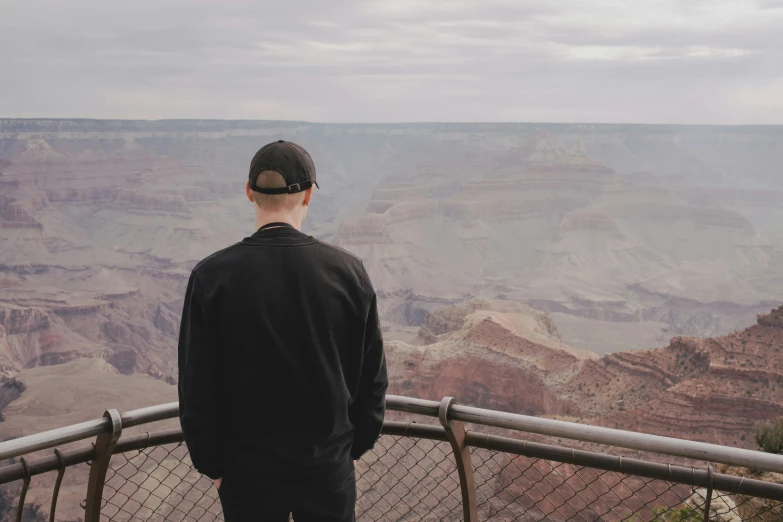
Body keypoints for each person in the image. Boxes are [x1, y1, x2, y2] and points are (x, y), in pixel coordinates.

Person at [178, 140, 388, 521]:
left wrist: (216, 469)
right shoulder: (348, 273)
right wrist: (346, 453)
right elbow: (372, 384)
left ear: (248, 192)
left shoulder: (211, 277)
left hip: (247, 477)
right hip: (327, 472)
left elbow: (197, 391)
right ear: (308, 195)